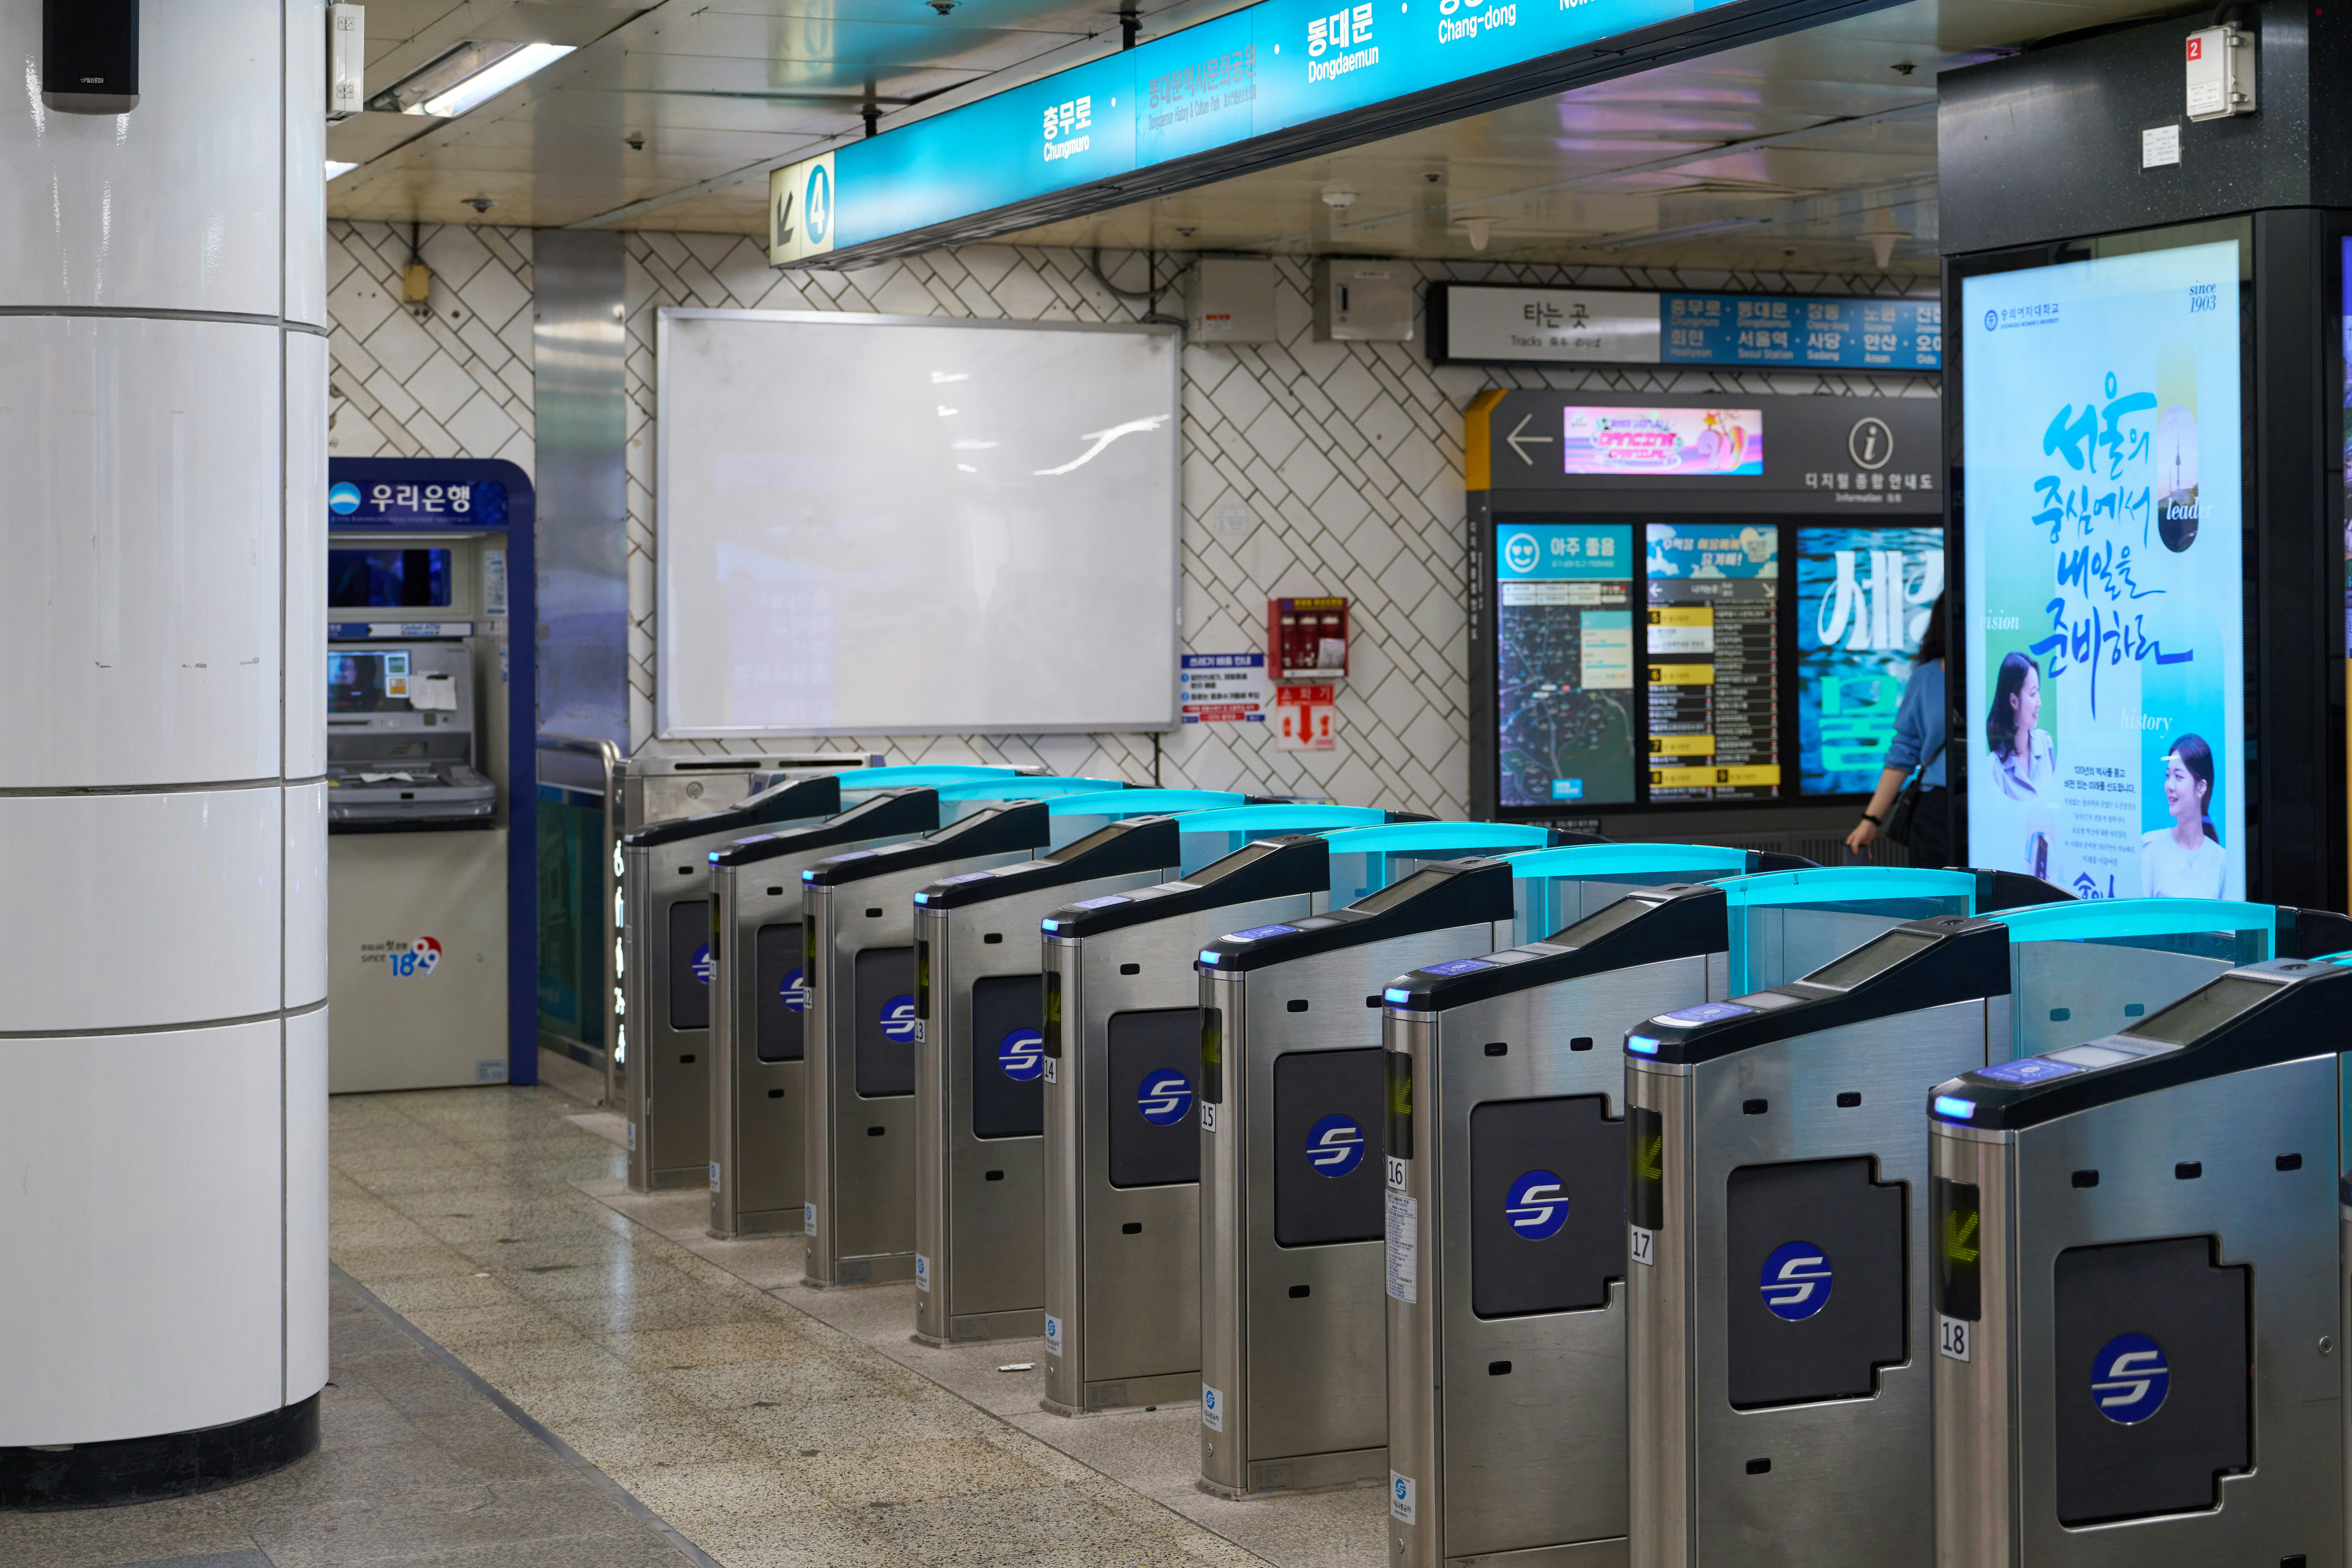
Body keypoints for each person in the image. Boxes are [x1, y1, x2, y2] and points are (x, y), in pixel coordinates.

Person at [1846, 592, 1948, 866]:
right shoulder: (1926, 677)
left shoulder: (2003, 673)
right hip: (1938, 813)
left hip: (1999, 806)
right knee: (1940, 903)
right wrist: (1870, 820)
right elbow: (1904, 751)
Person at [2140, 733, 2228, 897]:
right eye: (2168, 776)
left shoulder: (2222, 861)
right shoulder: (2150, 847)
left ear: (2201, 788)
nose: (2169, 786)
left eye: (2179, 777)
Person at [1984, 651, 2056, 800]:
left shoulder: (2046, 742)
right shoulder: (1994, 767)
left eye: (2038, 692)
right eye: (2033, 694)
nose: (2039, 703)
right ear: (2014, 701)